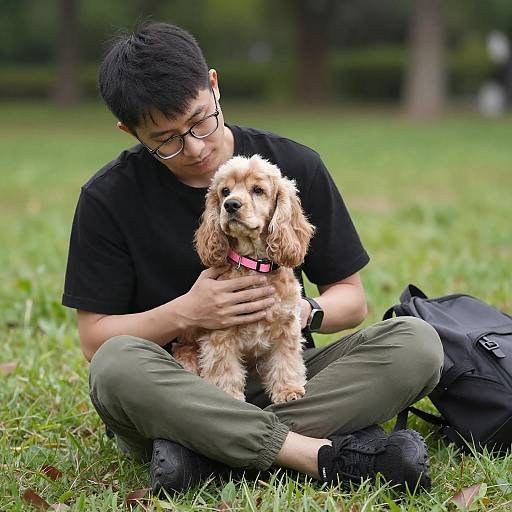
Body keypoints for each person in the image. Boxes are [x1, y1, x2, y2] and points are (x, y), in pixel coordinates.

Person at [62, 21, 444, 493]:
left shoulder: (292, 166)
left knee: (417, 343)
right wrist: (187, 312)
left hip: (284, 378)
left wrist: (300, 311)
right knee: (116, 367)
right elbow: (95, 341)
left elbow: (351, 300)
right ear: (130, 131)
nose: (196, 147)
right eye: (167, 139)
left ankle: (204, 456)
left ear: (215, 85)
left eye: (201, 121)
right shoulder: (107, 198)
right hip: (182, 387)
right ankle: (319, 454)